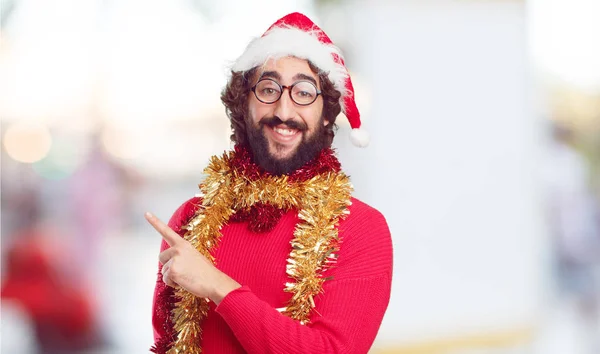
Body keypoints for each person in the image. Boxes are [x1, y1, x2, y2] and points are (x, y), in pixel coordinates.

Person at [148, 12, 393, 354]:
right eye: (268, 89)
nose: (284, 109)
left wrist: (218, 286)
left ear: (326, 112)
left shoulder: (361, 229)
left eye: (304, 92)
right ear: (243, 104)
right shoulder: (191, 223)